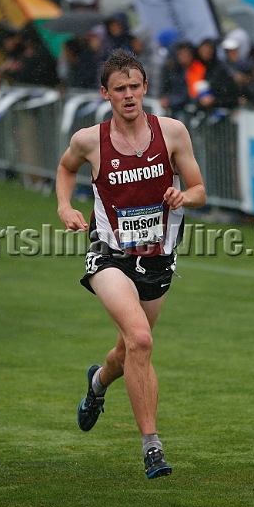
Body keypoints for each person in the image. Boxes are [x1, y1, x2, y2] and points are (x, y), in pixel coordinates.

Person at [56, 49, 206, 479]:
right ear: (105, 93)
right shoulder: (90, 140)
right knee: (140, 339)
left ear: (145, 89)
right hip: (109, 254)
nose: (129, 95)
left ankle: (98, 383)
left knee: (126, 351)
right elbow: (66, 169)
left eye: (135, 87)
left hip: (158, 258)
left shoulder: (172, 133)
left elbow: (198, 189)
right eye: (119, 89)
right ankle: (152, 447)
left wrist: (183, 196)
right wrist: (65, 206)